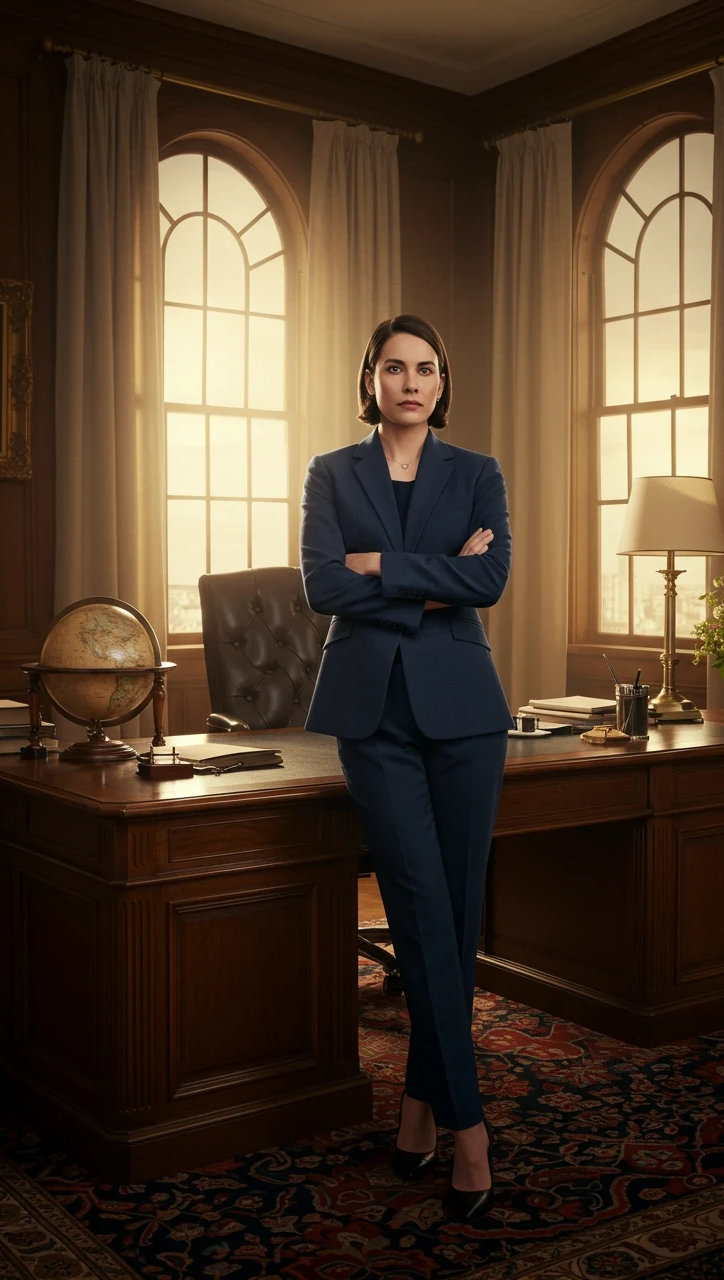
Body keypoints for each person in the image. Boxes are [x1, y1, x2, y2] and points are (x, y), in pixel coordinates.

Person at [299, 314, 514, 1222]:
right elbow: (320, 584)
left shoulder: (478, 472)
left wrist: (382, 563)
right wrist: (435, 572)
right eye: (396, 367)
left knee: (455, 917)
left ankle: (420, 1111)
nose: (412, 382)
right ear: (372, 379)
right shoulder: (332, 472)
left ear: (441, 382)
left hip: (466, 713)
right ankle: (473, 1133)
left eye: (427, 368)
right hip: (371, 712)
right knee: (420, 905)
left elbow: (492, 578)